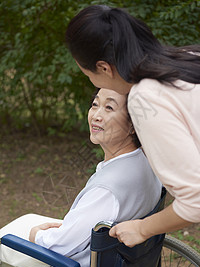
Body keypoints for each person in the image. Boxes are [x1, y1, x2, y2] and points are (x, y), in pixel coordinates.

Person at [65, 5, 200, 249]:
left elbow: (195, 200)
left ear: (104, 68)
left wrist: (142, 228)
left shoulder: (146, 96)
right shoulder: (187, 58)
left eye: (87, 73)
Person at [0, 88, 162, 267]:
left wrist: (35, 236)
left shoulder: (107, 189)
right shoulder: (147, 163)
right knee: (28, 219)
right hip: (122, 264)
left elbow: (59, 246)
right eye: (95, 104)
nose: (96, 115)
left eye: (109, 107)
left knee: (5, 242)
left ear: (132, 126)